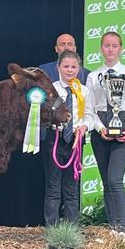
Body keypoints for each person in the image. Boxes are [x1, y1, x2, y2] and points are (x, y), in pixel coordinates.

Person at [86, 32, 125, 236]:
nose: (110, 49)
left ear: (120, 49)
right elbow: (89, 109)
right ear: (101, 48)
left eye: (114, 46)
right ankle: (113, 230)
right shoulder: (93, 76)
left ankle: (124, 230)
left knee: (115, 179)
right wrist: (100, 127)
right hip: (101, 130)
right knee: (106, 182)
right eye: (106, 45)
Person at [41, 51, 96, 226]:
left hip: (75, 141)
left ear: (79, 68)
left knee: (72, 189)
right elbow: (43, 114)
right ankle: (53, 230)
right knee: (53, 187)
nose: (70, 70)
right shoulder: (52, 90)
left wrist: (84, 126)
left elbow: (90, 115)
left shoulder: (84, 91)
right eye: (66, 66)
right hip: (55, 139)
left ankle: (72, 230)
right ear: (58, 67)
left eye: (73, 67)